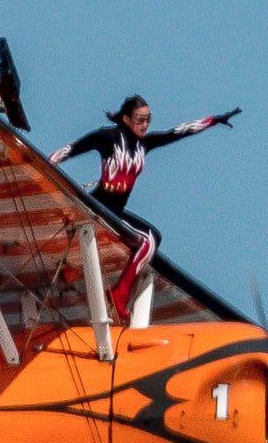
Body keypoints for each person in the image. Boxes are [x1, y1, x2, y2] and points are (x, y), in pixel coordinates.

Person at [52, 96, 237, 312]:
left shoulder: (144, 144)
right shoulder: (108, 136)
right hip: (99, 205)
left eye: (148, 120)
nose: (145, 125)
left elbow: (178, 132)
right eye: (140, 120)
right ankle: (120, 292)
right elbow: (70, 149)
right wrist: (42, 167)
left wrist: (214, 120)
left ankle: (118, 287)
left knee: (154, 237)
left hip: (116, 211)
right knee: (147, 241)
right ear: (126, 119)